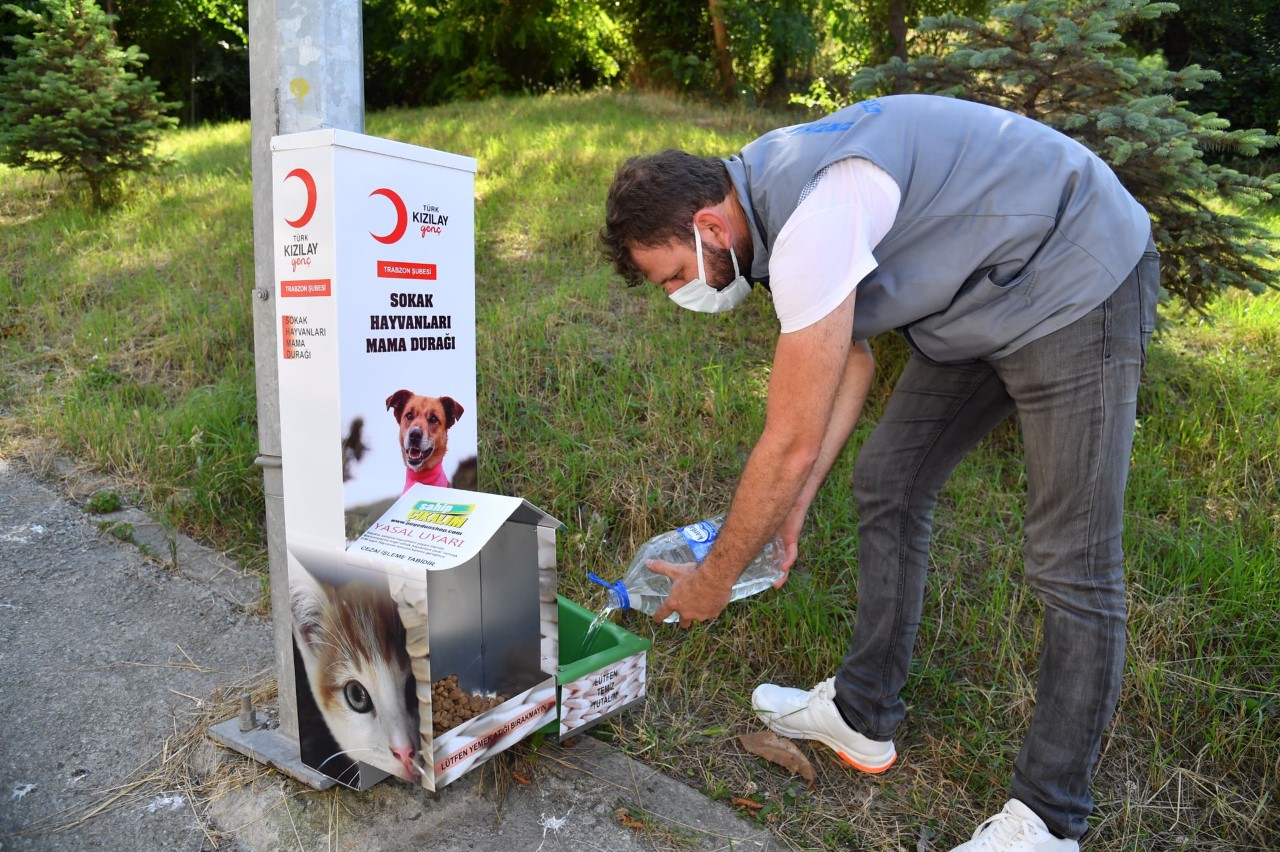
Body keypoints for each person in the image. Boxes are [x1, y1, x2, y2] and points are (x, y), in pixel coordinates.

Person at [599, 94, 1159, 852]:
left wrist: (715, 578)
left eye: (671, 278)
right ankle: (863, 714)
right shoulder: (760, 201)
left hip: (1073, 272)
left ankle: (1050, 819)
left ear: (707, 228)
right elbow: (848, 358)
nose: (678, 296)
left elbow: (788, 438)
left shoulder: (810, 218)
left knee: (1074, 560)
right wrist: (793, 507)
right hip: (981, 298)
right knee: (888, 481)